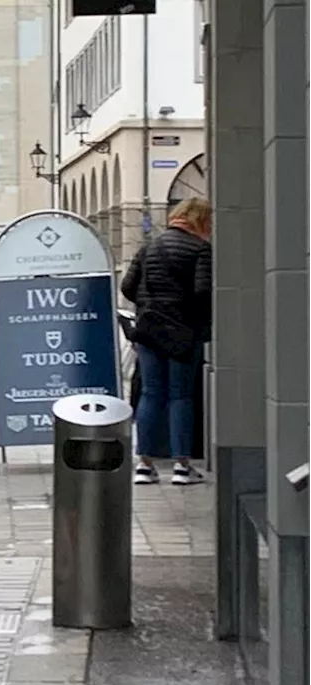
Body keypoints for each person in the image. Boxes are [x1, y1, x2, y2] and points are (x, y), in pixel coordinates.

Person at [120, 197, 213, 485]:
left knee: (150, 393)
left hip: (150, 331)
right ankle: (182, 466)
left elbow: (127, 286)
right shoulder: (201, 249)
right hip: (184, 333)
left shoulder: (148, 248)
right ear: (200, 220)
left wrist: (151, 307)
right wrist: (191, 318)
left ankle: (145, 464)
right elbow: (203, 292)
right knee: (180, 396)